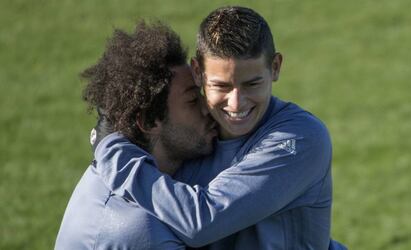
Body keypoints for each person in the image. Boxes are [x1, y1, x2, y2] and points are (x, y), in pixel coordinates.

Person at [92, 6, 347, 250]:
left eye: (252, 84)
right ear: (197, 72)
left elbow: (202, 222)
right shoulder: (193, 138)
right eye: (222, 86)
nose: (236, 103)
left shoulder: (299, 138)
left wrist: (112, 151)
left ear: (276, 67)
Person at [55, 21, 218, 249]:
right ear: (149, 121)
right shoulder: (140, 231)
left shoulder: (114, 177)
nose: (207, 107)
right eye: (192, 100)